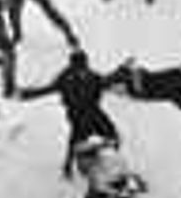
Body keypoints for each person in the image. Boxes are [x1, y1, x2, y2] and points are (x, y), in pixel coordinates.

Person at [19, 49, 119, 178]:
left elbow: (105, 81)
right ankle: (69, 166)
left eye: (83, 66)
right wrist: (27, 94)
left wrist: (119, 72)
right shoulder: (65, 78)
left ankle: (105, 159)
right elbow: (48, 89)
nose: (82, 70)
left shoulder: (92, 75)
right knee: (79, 134)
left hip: (93, 109)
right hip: (76, 112)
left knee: (111, 133)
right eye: (78, 67)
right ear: (73, 66)